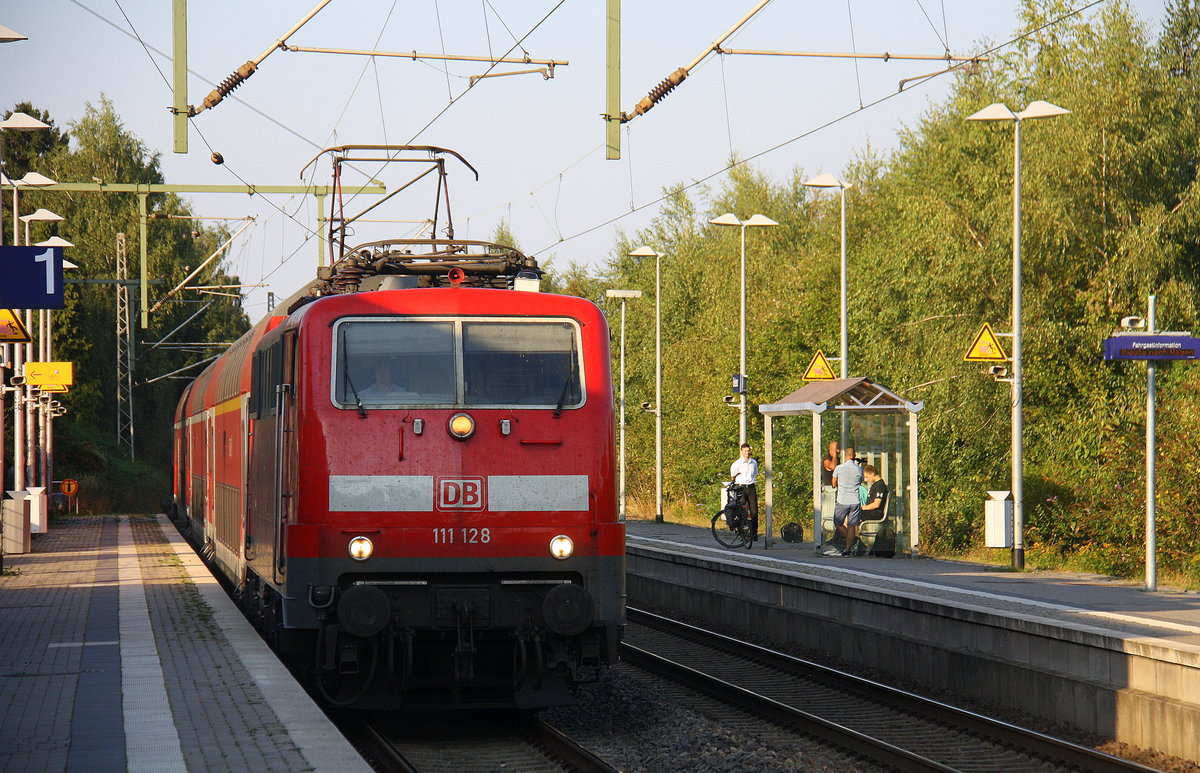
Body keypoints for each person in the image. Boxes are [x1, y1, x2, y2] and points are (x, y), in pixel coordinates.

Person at [826, 446, 863, 556]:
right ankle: (848, 547)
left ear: (845, 456)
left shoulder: (839, 468)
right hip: (855, 500)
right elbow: (859, 482)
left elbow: (833, 483)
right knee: (852, 525)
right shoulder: (859, 469)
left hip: (842, 500)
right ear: (854, 456)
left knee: (838, 523)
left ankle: (851, 542)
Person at [728, 442, 759, 544]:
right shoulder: (737, 464)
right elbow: (733, 476)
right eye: (745, 451)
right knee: (742, 511)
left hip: (751, 487)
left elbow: (755, 474)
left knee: (754, 511)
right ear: (741, 451)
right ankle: (743, 533)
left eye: (748, 451)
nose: (747, 453)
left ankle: (754, 533)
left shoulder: (753, 462)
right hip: (741, 487)